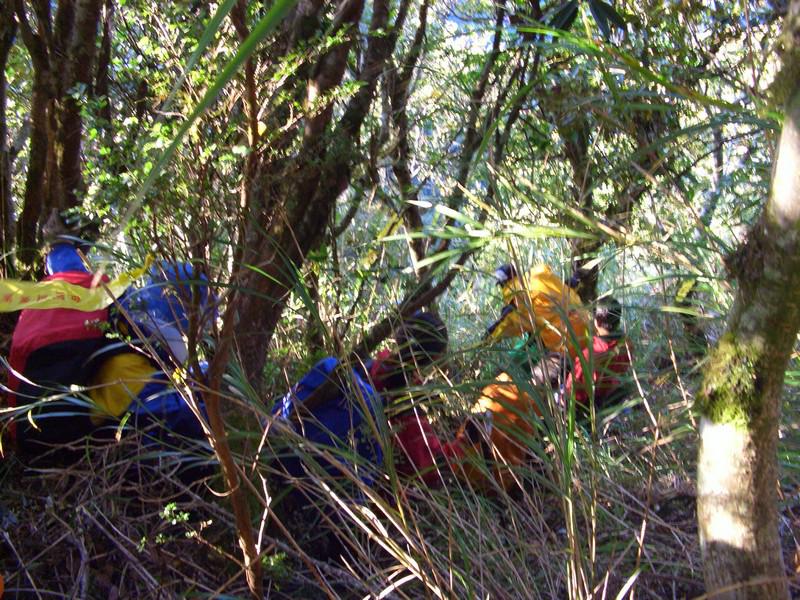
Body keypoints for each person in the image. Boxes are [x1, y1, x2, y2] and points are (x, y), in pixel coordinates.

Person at [5, 237, 215, 473]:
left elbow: (69, 270)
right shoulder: (129, 367)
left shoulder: (106, 305)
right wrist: (219, 387)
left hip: (31, 415)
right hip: (44, 450)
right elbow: (175, 415)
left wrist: (60, 245)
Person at [269, 310, 452, 488]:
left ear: (399, 334)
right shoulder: (407, 411)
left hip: (276, 462)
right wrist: (462, 444)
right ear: (433, 359)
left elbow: (285, 408)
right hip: (321, 495)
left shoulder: (337, 367)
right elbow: (427, 470)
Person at [562, 296, 633, 411]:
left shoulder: (588, 357)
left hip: (589, 403)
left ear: (597, 322)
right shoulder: (627, 344)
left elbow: (573, 392)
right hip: (609, 391)